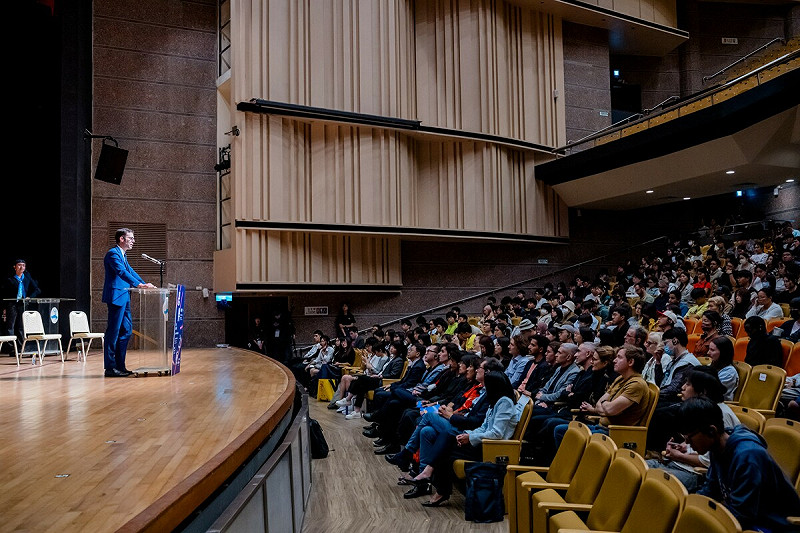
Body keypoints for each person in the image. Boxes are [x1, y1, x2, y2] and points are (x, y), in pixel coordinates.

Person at [677, 397, 800, 531]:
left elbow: (742, 514)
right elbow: (710, 491)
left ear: (712, 431)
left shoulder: (748, 456)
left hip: (773, 525)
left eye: (690, 437)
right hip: (746, 518)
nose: (688, 443)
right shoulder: (716, 447)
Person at [102, 228, 157, 377]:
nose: (133, 241)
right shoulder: (113, 254)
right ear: (122, 239)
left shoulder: (123, 255)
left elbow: (131, 272)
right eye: (131, 238)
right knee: (113, 333)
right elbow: (121, 272)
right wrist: (139, 285)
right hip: (116, 297)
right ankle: (110, 368)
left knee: (126, 331)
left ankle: (120, 366)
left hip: (124, 296)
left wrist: (145, 284)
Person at [4, 259, 41, 348]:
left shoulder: (27, 278)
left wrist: (30, 297)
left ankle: (21, 346)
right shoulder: (10, 279)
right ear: (15, 267)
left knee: (21, 326)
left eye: (23, 265)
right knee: (10, 325)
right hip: (12, 304)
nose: (21, 267)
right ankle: (11, 347)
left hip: (22, 304)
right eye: (19, 265)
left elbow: (37, 290)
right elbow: (5, 293)